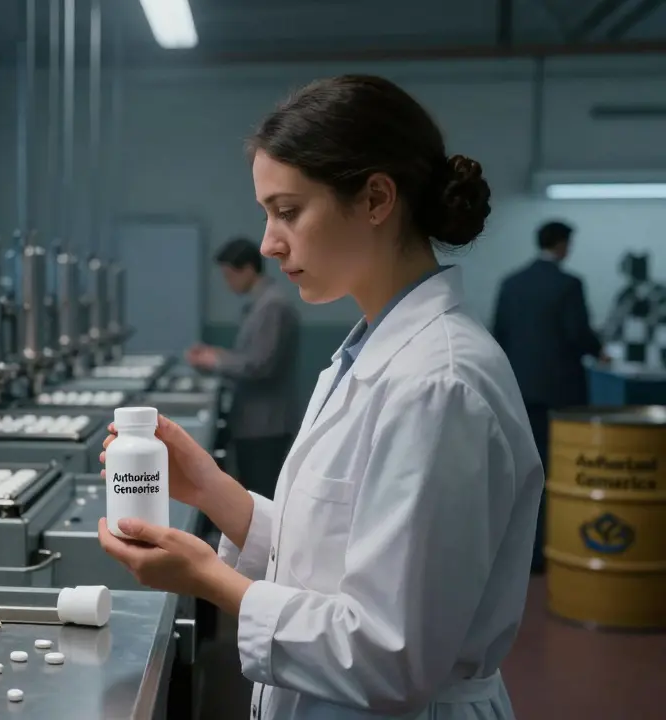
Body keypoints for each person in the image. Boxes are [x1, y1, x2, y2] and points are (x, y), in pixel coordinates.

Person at [96, 75, 543, 720]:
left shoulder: (437, 384)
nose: (268, 242)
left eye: (287, 210)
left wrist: (209, 580)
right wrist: (211, 488)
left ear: (376, 199)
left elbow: (391, 655)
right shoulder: (370, 352)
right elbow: (329, 560)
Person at [492, 220, 604, 572]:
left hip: (519, 390)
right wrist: (599, 350)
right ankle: (555, 547)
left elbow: (500, 334)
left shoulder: (511, 283)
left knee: (525, 469)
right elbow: (577, 334)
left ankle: (525, 552)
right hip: (561, 394)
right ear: (561, 244)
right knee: (560, 471)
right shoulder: (569, 285)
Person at [186, 237, 301, 498]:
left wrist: (215, 361)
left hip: (266, 425)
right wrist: (218, 354)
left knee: (261, 497)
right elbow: (252, 355)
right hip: (256, 423)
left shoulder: (272, 306)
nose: (228, 283)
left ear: (248, 269)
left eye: (229, 275)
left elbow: (260, 365)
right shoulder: (260, 304)